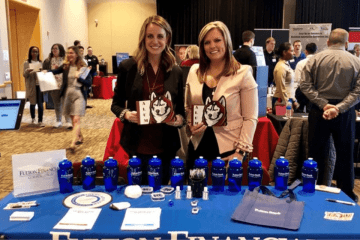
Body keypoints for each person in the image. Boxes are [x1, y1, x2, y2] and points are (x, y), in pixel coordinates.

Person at [111, 15, 185, 184]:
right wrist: (127, 114)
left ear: (167, 38)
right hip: (137, 145)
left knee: (162, 192)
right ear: (143, 38)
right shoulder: (128, 68)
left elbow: (181, 111)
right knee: (139, 192)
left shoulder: (176, 71)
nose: (155, 41)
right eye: (150, 36)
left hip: (166, 146)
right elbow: (115, 105)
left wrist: (178, 120)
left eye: (160, 36)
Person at [185, 21, 258, 172]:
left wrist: (240, 153)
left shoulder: (243, 73)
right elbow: (188, 107)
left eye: (217, 40)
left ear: (227, 41)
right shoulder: (194, 71)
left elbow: (250, 118)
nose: (212, 46)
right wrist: (190, 124)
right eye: (207, 42)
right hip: (198, 146)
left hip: (229, 150)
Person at [300, 28, 360, 202]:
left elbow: (305, 85)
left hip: (319, 111)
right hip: (345, 112)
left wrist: (324, 105)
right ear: (347, 43)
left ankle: (312, 191)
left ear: (327, 42)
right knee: (345, 155)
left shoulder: (314, 59)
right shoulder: (356, 62)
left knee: (315, 153)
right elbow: (358, 91)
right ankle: (347, 195)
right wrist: (339, 108)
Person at [48, 46, 92, 152]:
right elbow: (56, 71)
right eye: (68, 53)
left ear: (76, 54)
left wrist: (79, 77)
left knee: (76, 119)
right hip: (68, 95)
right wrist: (45, 71)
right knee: (73, 119)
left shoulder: (83, 67)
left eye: (71, 53)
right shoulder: (65, 66)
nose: (69, 55)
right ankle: (80, 137)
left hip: (79, 95)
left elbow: (89, 83)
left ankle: (73, 142)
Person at [42, 43, 72, 128]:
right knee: (56, 103)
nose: (54, 50)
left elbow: (64, 70)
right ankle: (58, 120)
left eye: (56, 48)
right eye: (53, 49)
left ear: (60, 50)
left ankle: (68, 121)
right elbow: (45, 70)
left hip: (63, 84)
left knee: (65, 103)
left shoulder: (65, 60)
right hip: (53, 84)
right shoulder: (48, 60)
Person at [23, 46, 45, 127]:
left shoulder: (40, 62)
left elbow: (43, 73)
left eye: (36, 52)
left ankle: (40, 120)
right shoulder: (27, 63)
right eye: (33, 51)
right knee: (32, 103)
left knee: (40, 104)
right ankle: (33, 118)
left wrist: (42, 71)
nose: (35, 53)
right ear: (30, 52)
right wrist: (28, 71)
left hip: (39, 85)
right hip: (31, 86)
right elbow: (24, 75)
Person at [272, 42, 298, 110]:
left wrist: (293, 99)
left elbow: (289, 86)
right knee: (282, 120)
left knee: (288, 120)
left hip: (287, 100)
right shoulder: (281, 66)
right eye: (291, 51)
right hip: (281, 101)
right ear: (284, 52)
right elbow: (281, 87)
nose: (294, 53)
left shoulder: (286, 64)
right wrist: (287, 103)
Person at [294, 43, 317, 112]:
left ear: (306, 51)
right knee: (312, 112)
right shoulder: (319, 63)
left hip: (302, 90)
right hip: (314, 91)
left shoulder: (300, 63)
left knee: (299, 111)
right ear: (316, 52)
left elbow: (297, 79)